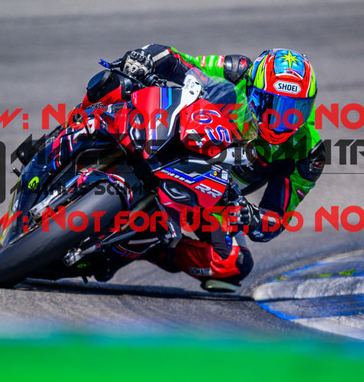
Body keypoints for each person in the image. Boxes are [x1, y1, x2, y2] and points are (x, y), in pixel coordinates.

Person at [97, 45, 325, 293]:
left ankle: (151, 247)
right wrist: (144, 59)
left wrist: (253, 218)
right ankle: (80, 126)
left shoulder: (307, 151)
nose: (282, 121)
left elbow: (276, 219)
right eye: (274, 106)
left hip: (212, 197)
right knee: (120, 83)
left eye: (296, 111)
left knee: (234, 264)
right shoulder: (236, 71)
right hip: (177, 138)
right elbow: (177, 61)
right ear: (254, 91)